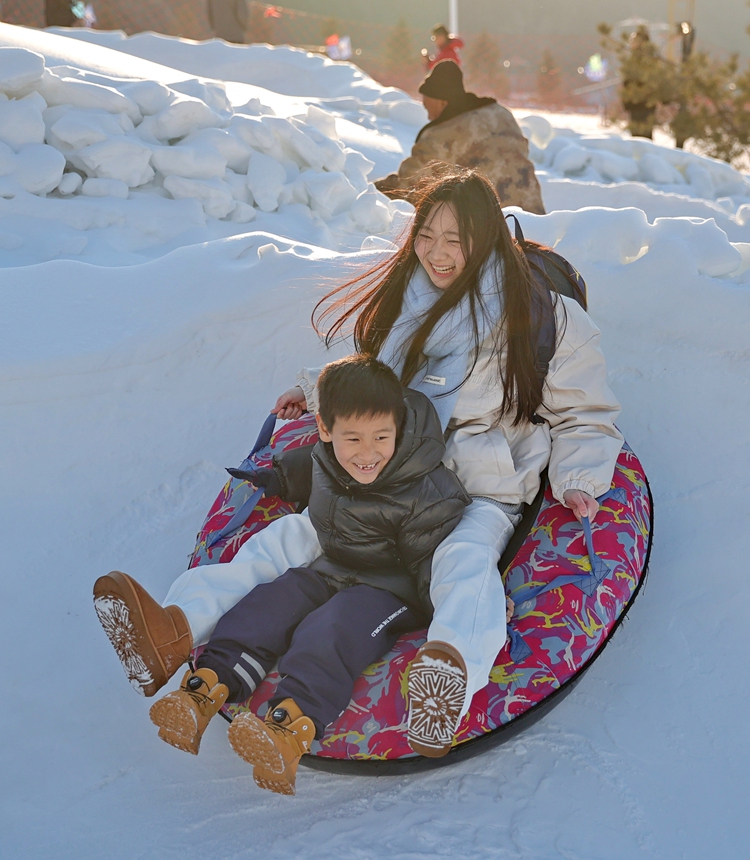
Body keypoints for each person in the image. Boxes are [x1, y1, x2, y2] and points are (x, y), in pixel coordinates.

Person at [94, 168, 622, 766]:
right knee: (286, 539)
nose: (438, 255)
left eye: (457, 240)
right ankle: (174, 629)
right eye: (427, 236)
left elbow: (586, 415)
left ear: (487, 240)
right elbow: (368, 373)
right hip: (385, 469)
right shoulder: (409, 296)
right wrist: (312, 393)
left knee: (463, 562)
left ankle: (446, 680)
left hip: (476, 488)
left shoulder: (542, 317)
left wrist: (578, 479)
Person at [97, 355, 471, 795]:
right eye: (352, 438)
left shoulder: (424, 487)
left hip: (388, 591)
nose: (368, 454)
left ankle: (290, 726)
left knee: (331, 628)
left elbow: (433, 558)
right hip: (332, 567)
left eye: (381, 438)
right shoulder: (328, 459)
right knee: (270, 602)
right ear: (327, 433)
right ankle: (205, 689)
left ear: (398, 429)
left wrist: (445, 607)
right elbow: (307, 470)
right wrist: (274, 477)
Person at [375, 60, 545, 215]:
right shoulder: (502, 114)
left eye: (428, 108)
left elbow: (408, 185)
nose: (429, 118)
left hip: (493, 223)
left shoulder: (443, 134)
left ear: (442, 102)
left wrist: (374, 190)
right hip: (534, 215)